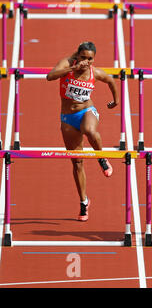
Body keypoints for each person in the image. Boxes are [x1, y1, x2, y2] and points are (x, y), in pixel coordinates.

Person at [47, 41, 119, 221]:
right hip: (67, 119)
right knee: (77, 162)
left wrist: (115, 101)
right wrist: (71, 70)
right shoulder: (67, 63)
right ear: (76, 56)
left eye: (90, 59)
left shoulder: (94, 72)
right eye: (83, 58)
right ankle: (83, 201)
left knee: (90, 130)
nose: (86, 62)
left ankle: (102, 159)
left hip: (86, 111)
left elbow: (110, 80)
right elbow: (50, 76)